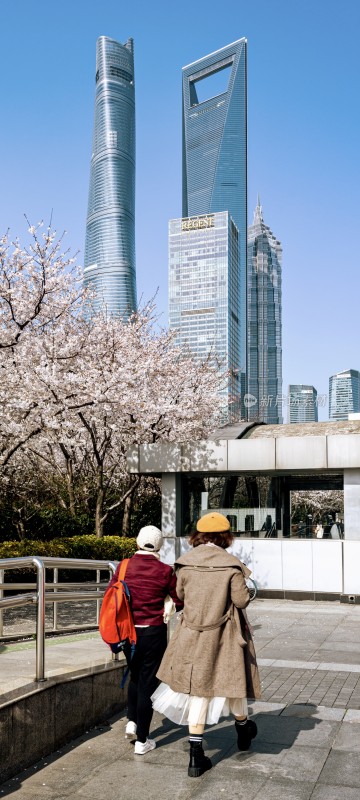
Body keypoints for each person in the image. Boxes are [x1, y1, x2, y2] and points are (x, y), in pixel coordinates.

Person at [152, 512, 261, 778]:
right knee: (232, 681)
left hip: (191, 634)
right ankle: (242, 727)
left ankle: (196, 755)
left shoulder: (184, 564)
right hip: (224, 634)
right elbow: (241, 600)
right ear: (225, 536)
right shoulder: (232, 565)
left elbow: (180, 595)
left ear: (198, 536)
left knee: (198, 689)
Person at [107, 525, 182, 754]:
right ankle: (142, 741)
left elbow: (111, 593)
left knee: (135, 676)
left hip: (127, 633)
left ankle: (132, 721)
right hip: (153, 633)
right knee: (148, 683)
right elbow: (179, 601)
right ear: (159, 546)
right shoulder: (164, 571)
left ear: (138, 543)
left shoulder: (124, 566)